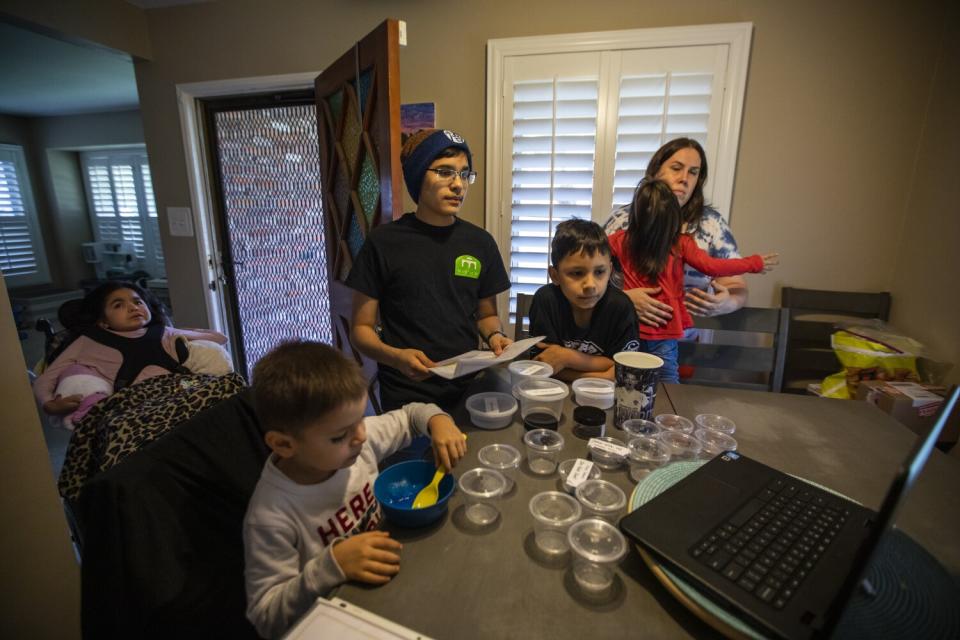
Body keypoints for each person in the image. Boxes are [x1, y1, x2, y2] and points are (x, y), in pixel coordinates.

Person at [243, 341, 466, 639]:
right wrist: (330, 567)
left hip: (387, 585)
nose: (361, 436)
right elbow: (266, 617)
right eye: (339, 436)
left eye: (360, 419)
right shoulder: (271, 516)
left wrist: (439, 422)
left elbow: (413, 414)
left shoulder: (356, 439)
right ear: (284, 444)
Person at [346, 128, 512, 411]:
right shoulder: (383, 243)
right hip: (406, 394)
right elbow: (361, 330)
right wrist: (396, 356)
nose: (458, 185)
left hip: (466, 389)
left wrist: (495, 337)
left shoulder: (479, 242)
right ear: (417, 175)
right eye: (445, 172)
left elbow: (487, 315)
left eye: (464, 173)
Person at [608, 180, 778, 382]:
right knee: (667, 379)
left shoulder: (618, 241)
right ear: (673, 218)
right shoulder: (681, 243)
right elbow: (713, 266)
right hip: (663, 328)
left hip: (629, 327)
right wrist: (753, 263)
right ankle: (666, 413)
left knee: (625, 379)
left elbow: (592, 263)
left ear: (635, 214)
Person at [32, 281, 227, 428]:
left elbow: (219, 338)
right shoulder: (88, 341)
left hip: (179, 390)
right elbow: (48, 376)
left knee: (228, 387)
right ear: (102, 321)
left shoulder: (163, 331)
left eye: (138, 302)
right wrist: (49, 404)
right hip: (132, 402)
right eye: (118, 305)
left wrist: (181, 331)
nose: (133, 307)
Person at [604, 137, 748, 329]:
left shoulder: (711, 224)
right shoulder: (622, 220)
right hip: (622, 335)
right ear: (655, 171)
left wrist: (727, 303)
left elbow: (736, 285)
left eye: (693, 172)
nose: (684, 179)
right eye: (676, 168)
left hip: (684, 343)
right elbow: (590, 276)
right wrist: (622, 299)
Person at [528, 219, 639, 381]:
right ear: (555, 276)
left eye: (600, 272)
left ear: (610, 270)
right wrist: (604, 372)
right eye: (577, 273)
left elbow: (624, 368)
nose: (590, 285)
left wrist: (568, 357)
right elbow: (544, 365)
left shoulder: (621, 307)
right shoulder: (546, 301)